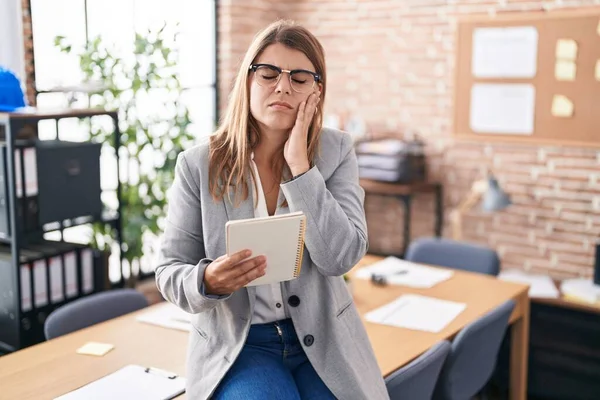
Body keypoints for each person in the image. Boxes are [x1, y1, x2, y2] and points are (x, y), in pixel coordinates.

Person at [155, 19, 389, 400]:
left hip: (324, 338)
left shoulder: (337, 151)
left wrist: (301, 167)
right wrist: (207, 281)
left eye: (299, 78)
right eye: (268, 74)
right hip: (241, 345)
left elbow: (340, 258)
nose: (282, 86)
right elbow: (168, 270)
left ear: (317, 90)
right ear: (248, 81)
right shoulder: (198, 164)